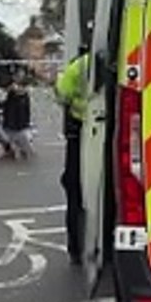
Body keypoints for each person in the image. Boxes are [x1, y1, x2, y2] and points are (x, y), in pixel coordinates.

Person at [55, 53, 89, 265]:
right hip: (107, 129)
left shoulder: (80, 65)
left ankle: (75, 247)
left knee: (74, 189)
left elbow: (62, 94)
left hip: (80, 131)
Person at [2, 70, 34, 161]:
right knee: (12, 128)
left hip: (18, 106)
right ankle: (18, 149)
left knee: (19, 128)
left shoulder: (21, 90)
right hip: (14, 106)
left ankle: (23, 149)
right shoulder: (13, 89)